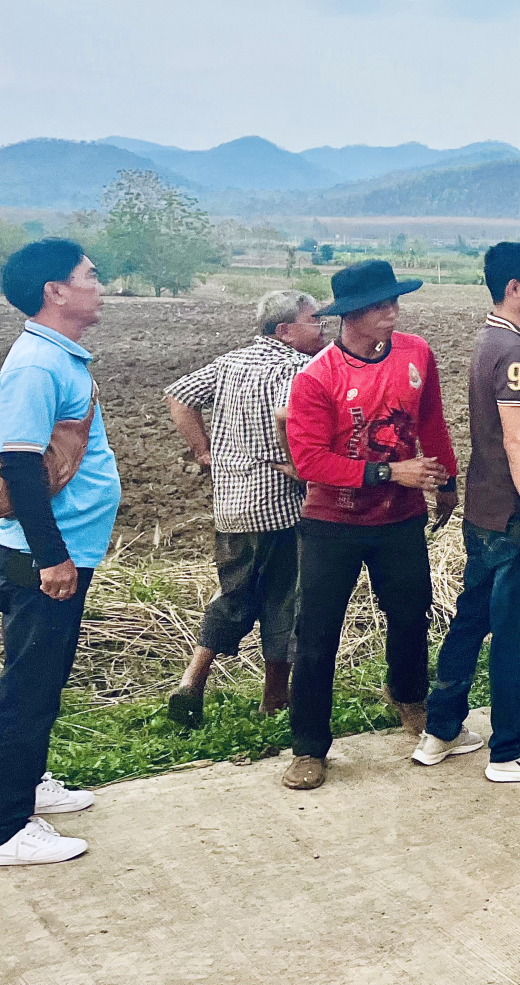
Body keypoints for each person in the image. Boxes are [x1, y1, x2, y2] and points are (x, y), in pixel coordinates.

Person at [281, 259, 460, 791]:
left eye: (394, 301)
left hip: (399, 519)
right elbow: (310, 461)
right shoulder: (316, 379)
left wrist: (444, 479)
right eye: (381, 305)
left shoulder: (416, 353)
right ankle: (309, 747)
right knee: (316, 635)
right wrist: (390, 471)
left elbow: (430, 421)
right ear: (352, 315)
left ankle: (408, 698)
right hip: (331, 524)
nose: (393, 312)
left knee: (411, 615)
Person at [414, 242, 520, 783]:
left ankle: (441, 731)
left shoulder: (511, 341)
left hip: (486, 515)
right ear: (515, 287)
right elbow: (517, 442)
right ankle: (509, 749)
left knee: (472, 620)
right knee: (517, 635)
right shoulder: (509, 353)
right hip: (511, 520)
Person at [0, 240, 119, 866]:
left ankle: (27, 783)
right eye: (90, 276)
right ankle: (7, 824)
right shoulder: (36, 366)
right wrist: (52, 558)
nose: (100, 285)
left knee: (40, 676)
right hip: (41, 553)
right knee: (30, 682)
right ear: (56, 291)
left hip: (63, 546)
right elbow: (18, 466)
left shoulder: (60, 358)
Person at [162, 290, 326, 728]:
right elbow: (288, 416)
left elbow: (179, 397)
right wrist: (301, 465)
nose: (323, 327)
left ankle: (192, 679)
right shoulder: (297, 366)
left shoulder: (233, 362)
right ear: (285, 330)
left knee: (234, 592)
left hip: (232, 505)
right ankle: (274, 699)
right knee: (285, 598)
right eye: (315, 320)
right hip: (279, 506)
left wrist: (204, 451)